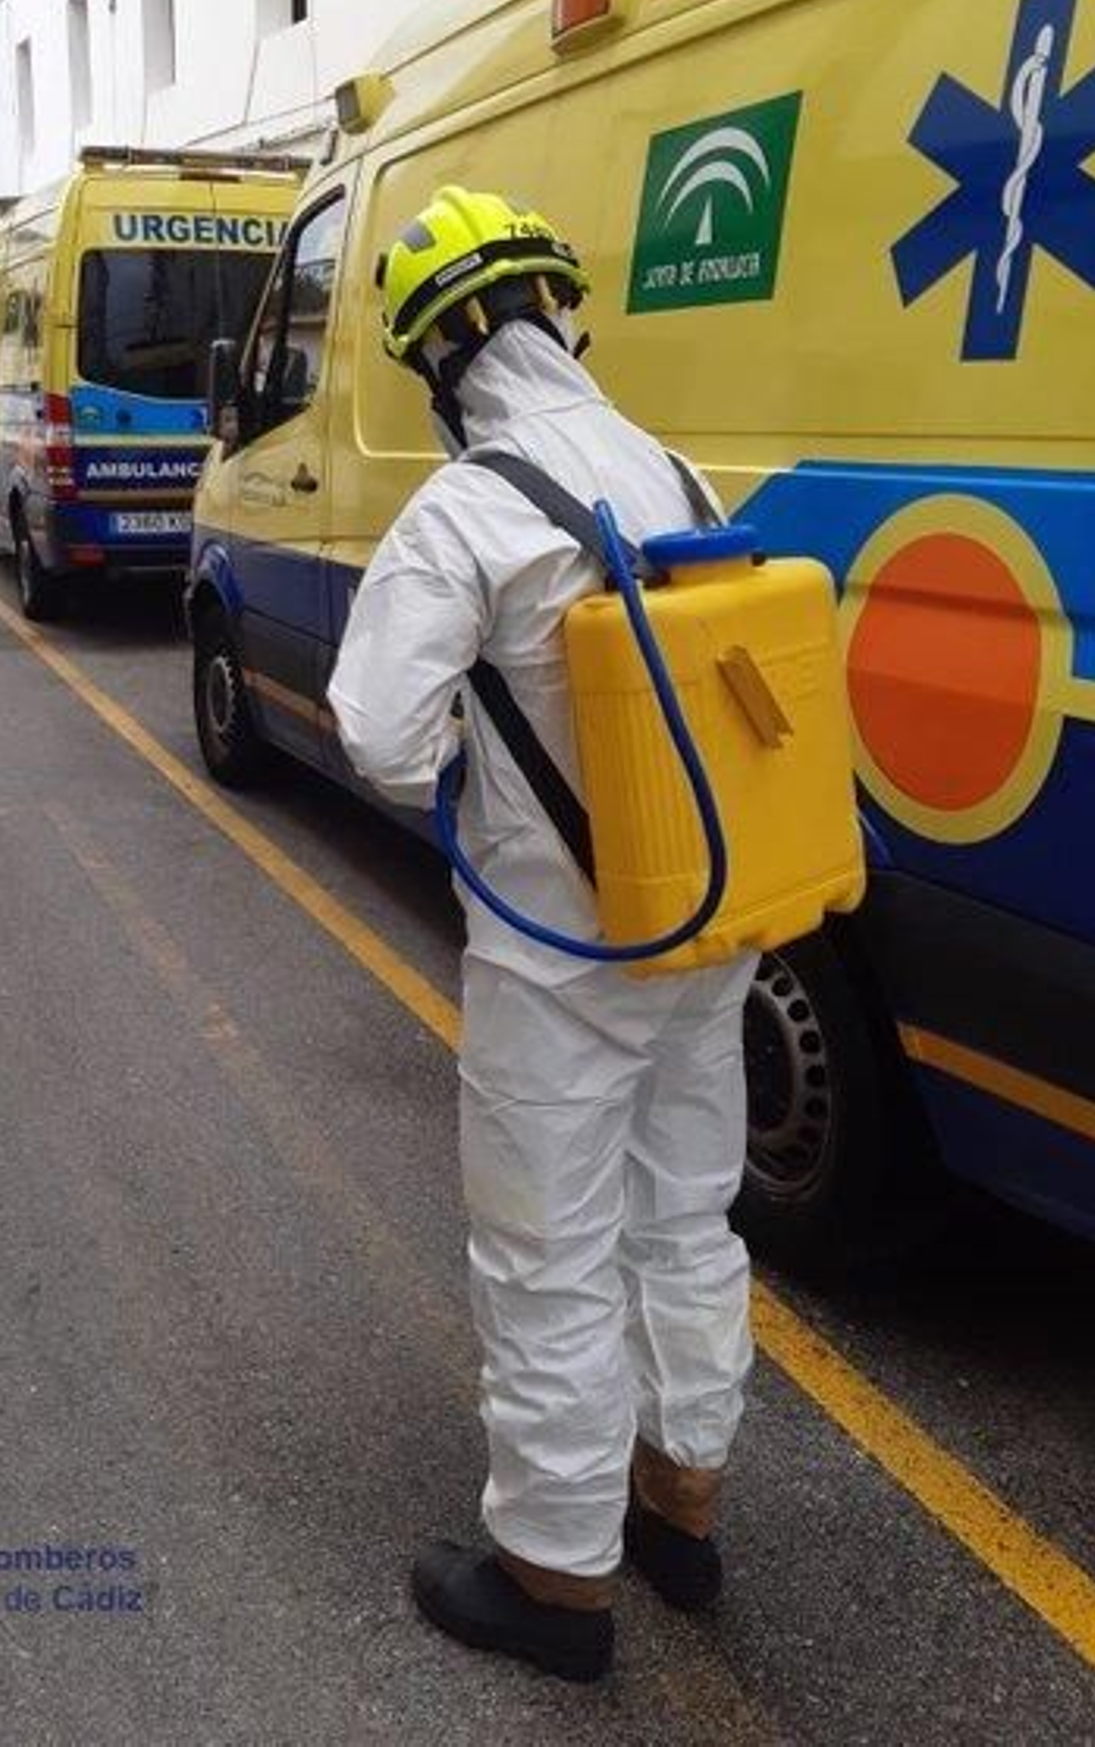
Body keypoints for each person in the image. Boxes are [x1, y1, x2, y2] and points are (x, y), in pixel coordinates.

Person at [327, 188, 757, 1684]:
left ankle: (556, 1576)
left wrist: (475, 768)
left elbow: (374, 730)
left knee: (549, 1254)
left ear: (442, 355)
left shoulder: (469, 506)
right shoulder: (676, 473)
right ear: (556, 315)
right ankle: (680, 1503)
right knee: (685, 1213)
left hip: (560, 961)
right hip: (710, 924)